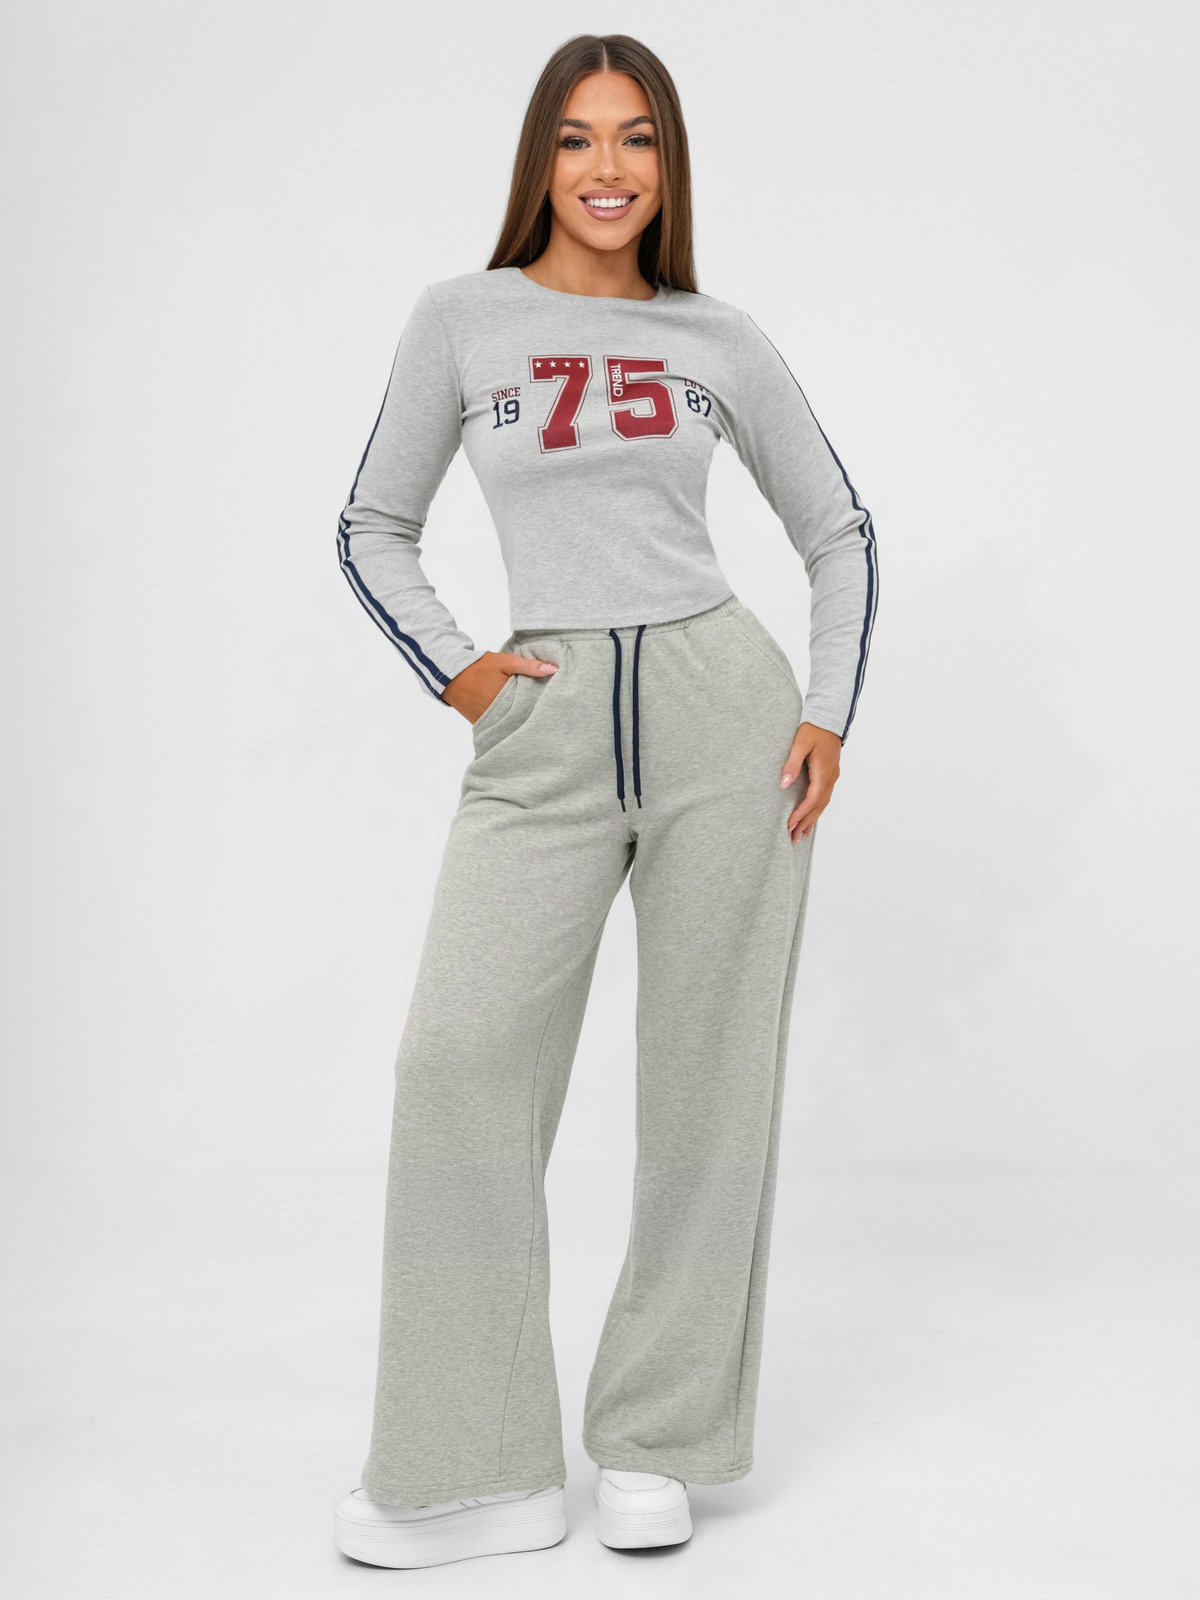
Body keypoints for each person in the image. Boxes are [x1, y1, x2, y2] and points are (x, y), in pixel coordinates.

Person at [331, 32, 878, 1570]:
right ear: (541, 160)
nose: (609, 168)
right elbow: (372, 525)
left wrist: (824, 710)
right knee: (458, 1064)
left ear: (668, 163)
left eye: (636, 138)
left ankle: (657, 1439)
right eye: (577, 139)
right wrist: (467, 678)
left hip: (724, 722)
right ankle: (472, 1465)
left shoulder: (719, 338)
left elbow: (839, 531)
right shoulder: (461, 321)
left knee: (707, 1086)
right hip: (546, 731)